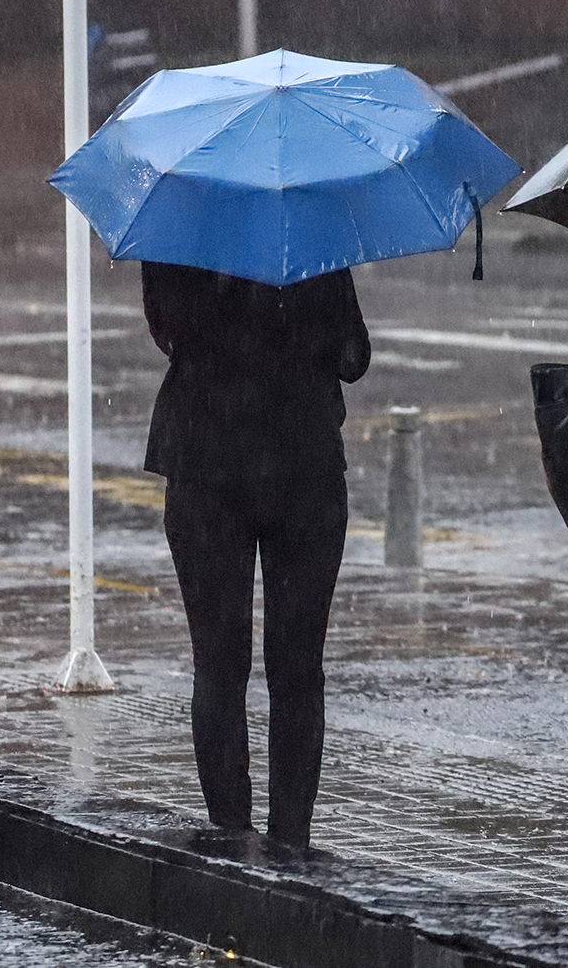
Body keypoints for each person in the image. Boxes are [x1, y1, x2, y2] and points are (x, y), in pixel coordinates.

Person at [142, 262, 370, 850]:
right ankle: (290, 840)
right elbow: (353, 356)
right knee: (297, 670)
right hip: (304, 467)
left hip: (204, 462)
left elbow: (167, 332)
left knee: (218, 665)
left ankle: (232, 836)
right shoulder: (309, 225)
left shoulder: (186, 224)